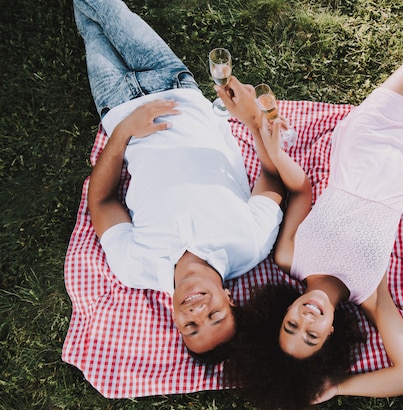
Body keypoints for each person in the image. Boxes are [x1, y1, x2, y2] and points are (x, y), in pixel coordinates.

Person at [221, 0, 403, 410]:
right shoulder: (370, 294)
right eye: (312, 335)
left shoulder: (289, 258)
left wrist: (279, 155)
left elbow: (302, 191)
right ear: (331, 333)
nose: (307, 318)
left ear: (283, 313)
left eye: (291, 324)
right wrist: (335, 387)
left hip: (363, 144)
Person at [74, 0, 289, 357]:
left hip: (116, 106)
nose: (197, 312)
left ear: (175, 322)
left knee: (89, 27)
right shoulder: (251, 244)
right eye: (215, 317)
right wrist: (251, 118)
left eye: (190, 326)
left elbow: (102, 202)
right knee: (108, 9)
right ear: (231, 300)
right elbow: (272, 176)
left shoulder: (135, 268)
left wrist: (125, 130)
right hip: (175, 85)